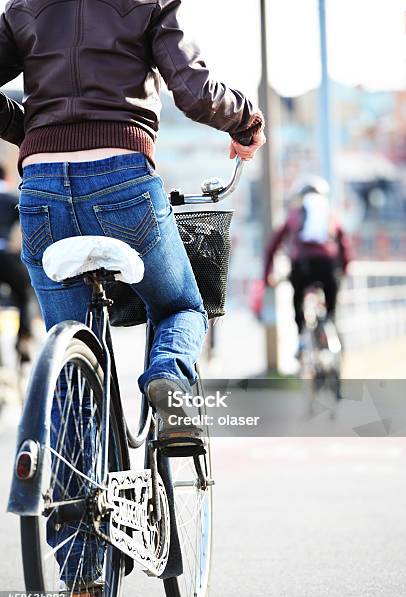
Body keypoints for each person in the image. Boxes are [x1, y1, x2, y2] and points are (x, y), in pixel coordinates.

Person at [0, 4, 265, 431]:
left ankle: (71, 494)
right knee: (181, 306)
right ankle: (168, 379)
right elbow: (194, 92)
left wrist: (30, 128)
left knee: (68, 358)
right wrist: (245, 122)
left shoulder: (22, 6)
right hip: (122, 180)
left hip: (41, 189)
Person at [264, 176, 351, 343]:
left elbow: (273, 245)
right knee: (332, 306)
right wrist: (345, 269)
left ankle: (301, 338)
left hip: (301, 266)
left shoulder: (293, 215)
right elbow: (344, 246)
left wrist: (268, 273)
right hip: (327, 267)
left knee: (297, 298)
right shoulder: (330, 215)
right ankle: (330, 326)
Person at [0, 162, 33, 361]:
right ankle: (23, 339)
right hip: (6, 255)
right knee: (24, 293)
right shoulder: (13, 198)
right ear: (7, 178)